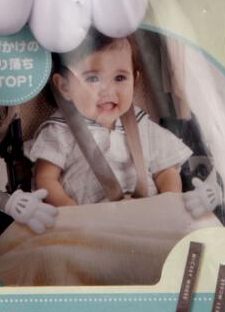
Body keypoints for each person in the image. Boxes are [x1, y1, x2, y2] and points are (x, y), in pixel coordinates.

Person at [27, 31, 192, 206]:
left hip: (147, 211)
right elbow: (45, 178)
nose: (108, 90)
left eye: (120, 78)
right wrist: (70, 210)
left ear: (134, 80)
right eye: (92, 78)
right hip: (90, 217)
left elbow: (165, 169)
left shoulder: (142, 124)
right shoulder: (60, 130)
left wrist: (170, 200)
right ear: (64, 87)